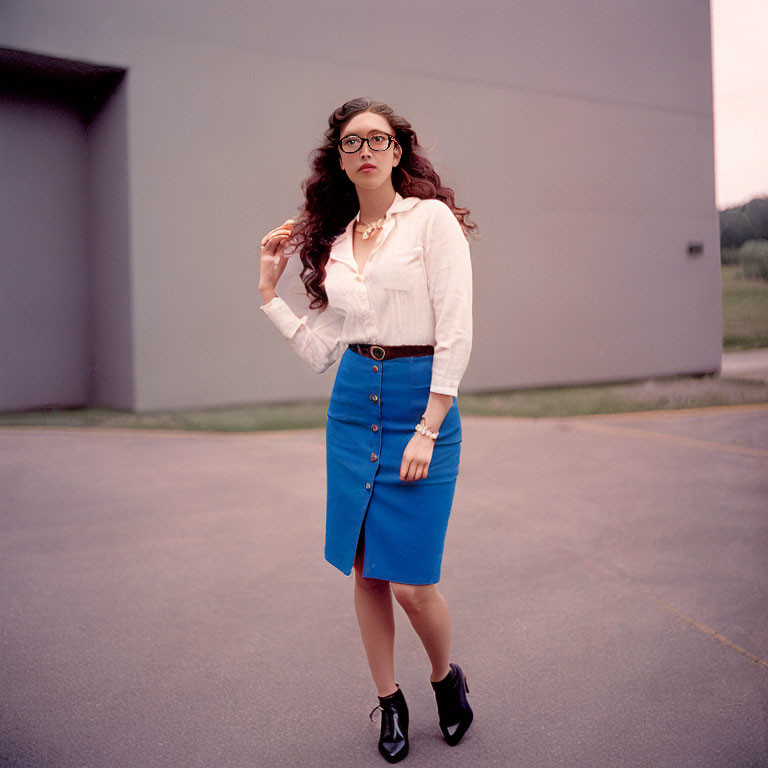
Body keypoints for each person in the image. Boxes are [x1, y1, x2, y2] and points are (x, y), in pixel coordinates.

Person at [258, 97, 477, 763]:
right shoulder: (340, 242)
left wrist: (430, 426)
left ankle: (445, 679)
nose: (366, 150)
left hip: (419, 403)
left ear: (397, 150)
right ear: (340, 158)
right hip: (354, 403)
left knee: (412, 582)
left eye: (377, 139)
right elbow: (325, 349)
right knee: (365, 570)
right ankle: (390, 701)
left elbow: (457, 328)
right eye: (353, 142)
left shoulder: (431, 222)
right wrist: (270, 296)